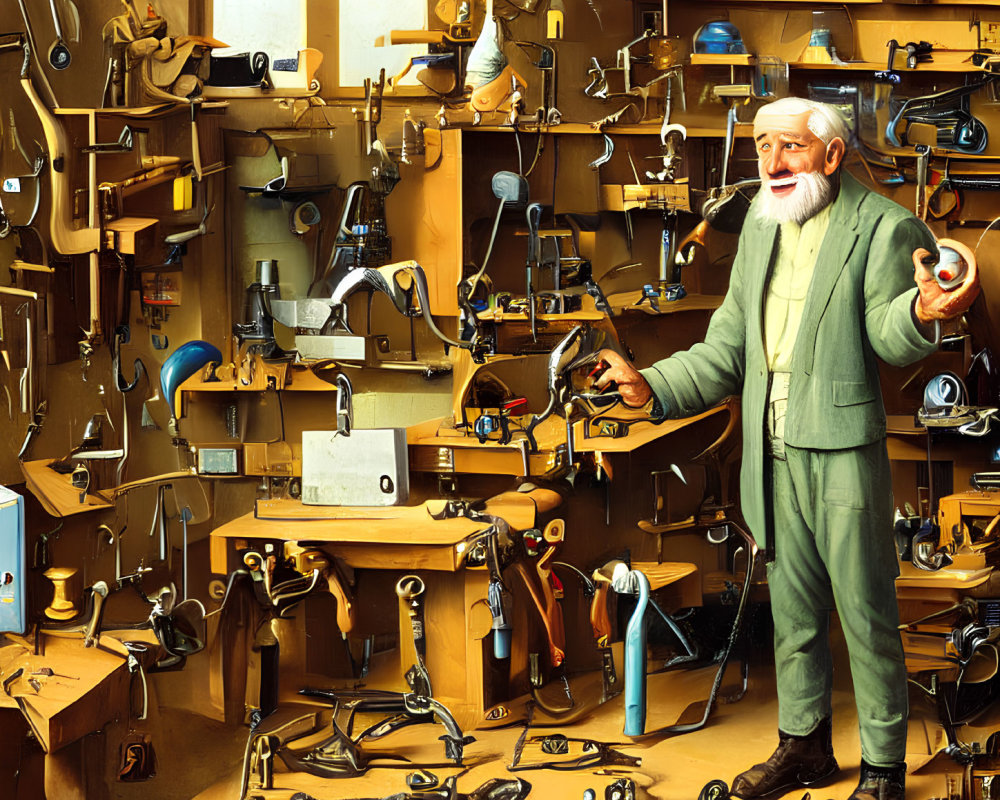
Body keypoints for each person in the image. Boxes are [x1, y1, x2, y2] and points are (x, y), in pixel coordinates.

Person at [595, 96, 980, 800]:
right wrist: (649, 385)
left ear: (832, 156)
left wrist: (921, 312)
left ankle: (883, 768)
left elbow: (885, 335)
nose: (772, 164)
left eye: (790, 148)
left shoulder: (884, 226)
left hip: (839, 448)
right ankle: (803, 748)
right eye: (763, 147)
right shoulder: (762, 231)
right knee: (793, 612)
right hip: (770, 450)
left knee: (865, 613)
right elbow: (726, 350)